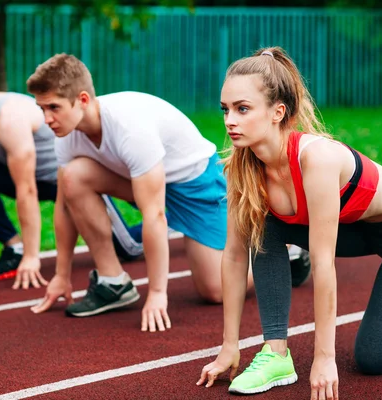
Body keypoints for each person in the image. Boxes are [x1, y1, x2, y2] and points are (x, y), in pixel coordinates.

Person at [197, 47, 382, 398]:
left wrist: (324, 358)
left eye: (242, 109)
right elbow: (236, 256)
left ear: (277, 112)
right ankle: (275, 353)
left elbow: (322, 264)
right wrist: (229, 345)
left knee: (375, 358)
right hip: (354, 228)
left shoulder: (316, 159)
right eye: (225, 109)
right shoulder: (239, 168)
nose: (229, 121)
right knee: (261, 224)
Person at [26, 53, 244, 332]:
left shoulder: (130, 130)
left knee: (215, 290)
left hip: (194, 184)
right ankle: (112, 281)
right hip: (143, 180)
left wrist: (156, 293)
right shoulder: (67, 136)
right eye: (41, 109)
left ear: (81, 100)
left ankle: (284, 253)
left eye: (53, 108)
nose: (47, 119)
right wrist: (61, 274)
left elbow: (154, 215)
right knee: (73, 178)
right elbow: (63, 207)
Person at [0, 53, 143, 289]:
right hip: (33, 181)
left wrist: (33, 256)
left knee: (128, 248)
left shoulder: (10, 117)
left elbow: (25, 189)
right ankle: (14, 246)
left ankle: (169, 218)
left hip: (71, 180)